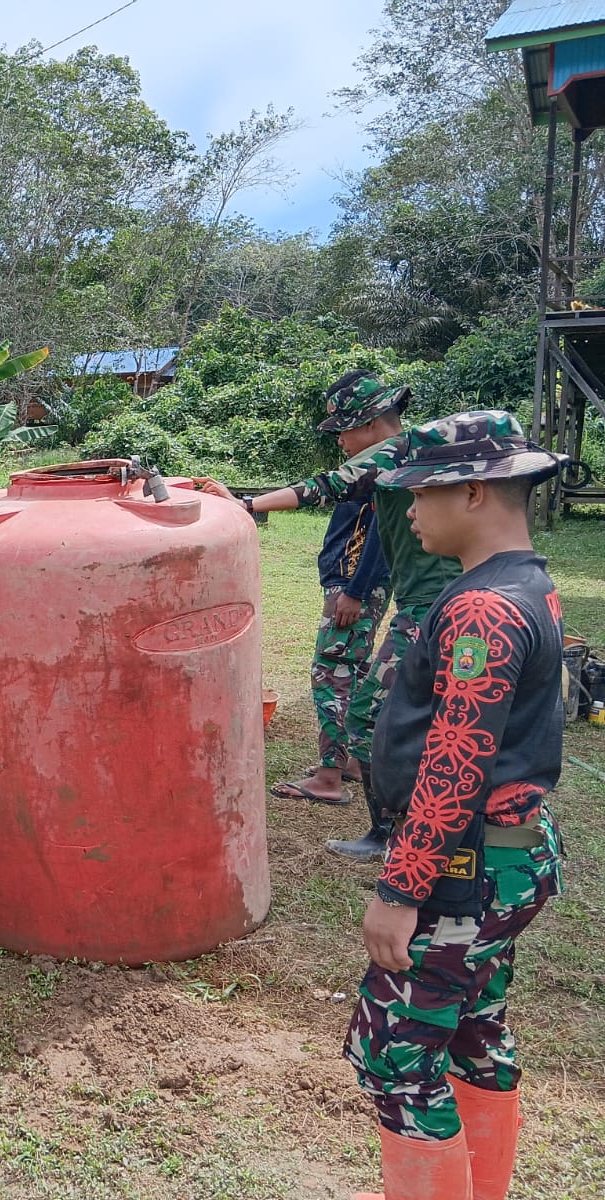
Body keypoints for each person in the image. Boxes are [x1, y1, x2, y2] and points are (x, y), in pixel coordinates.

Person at [339, 412, 566, 1200]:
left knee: (397, 1056)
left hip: (465, 867)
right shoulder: (526, 584)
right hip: (509, 852)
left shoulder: (482, 609)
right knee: (474, 1031)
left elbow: (455, 763)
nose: (408, 509)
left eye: (421, 493)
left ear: (473, 492)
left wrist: (400, 890)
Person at [201, 370, 461, 861]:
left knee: (371, 714)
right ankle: (395, 829)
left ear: (372, 423)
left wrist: (247, 504)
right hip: (422, 604)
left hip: (433, 607)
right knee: (390, 712)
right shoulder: (410, 458)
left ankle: (394, 834)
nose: (340, 440)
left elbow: (324, 487)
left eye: (344, 429)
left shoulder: (395, 452)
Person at [269, 497, 390, 805]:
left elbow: (380, 529)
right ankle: (352, 762)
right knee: (355, 671)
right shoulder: (376, 475)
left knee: (332, 675)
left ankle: (328, 777)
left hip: (355, 584)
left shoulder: (374, 475)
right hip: (364, 583)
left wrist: (355, 590)